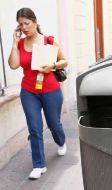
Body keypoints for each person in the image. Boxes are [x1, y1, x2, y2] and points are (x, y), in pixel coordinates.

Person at [8, 7, 68, 179]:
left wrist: (53, 66)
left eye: (27, 23)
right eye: (20, 25)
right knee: (34, 128)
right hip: (29, 91)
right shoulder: (20, 44)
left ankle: (61, 141)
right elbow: (13, 65)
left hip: (51, 90)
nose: (24, 27)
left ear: (35, 22)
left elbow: (64, 61)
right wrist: (14, 43)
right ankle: (39, 165)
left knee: (54, 124)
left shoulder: (49, 41)